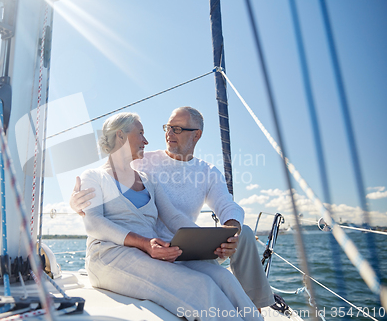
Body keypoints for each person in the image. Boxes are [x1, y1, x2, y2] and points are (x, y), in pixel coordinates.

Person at [72, 106, 275, 310]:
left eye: (177, 129)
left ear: (197, 135)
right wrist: (75, 202)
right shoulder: (127, 165)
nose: (167, 134)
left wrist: (214, 241)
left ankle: (255, 310)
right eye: (168, 128)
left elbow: (186, 215)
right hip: (138, 249)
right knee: (202, 286)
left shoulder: (197, 173)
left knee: (230, 265)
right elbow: (96, 212)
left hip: (178, 248)